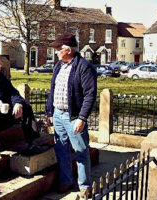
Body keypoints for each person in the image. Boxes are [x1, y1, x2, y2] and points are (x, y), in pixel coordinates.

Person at [46, 33, 97, 197]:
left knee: (81, 150)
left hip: (73, 116)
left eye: (58, 49)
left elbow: (90, 94)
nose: (56, 52)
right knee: (61, 150)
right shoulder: (58, 66)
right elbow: (53, 90)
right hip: (58, 114)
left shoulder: (84, 66)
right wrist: (50, 112)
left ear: (67, 50)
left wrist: (82, 118)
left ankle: (84, 186)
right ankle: (66, 182)